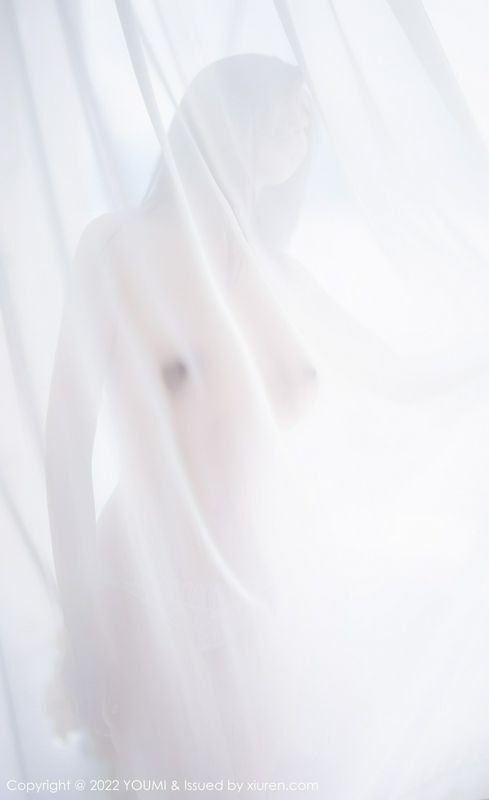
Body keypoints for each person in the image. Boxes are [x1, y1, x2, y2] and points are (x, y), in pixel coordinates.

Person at [45, 54, 318, 786]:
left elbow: (316, 420)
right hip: (140, 581)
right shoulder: (115, 245)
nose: (303, 133)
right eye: (290, 113)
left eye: (309, 123)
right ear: (231, 115)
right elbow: (65, 446)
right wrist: (83, 624)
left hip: (249, 592)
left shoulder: (267, 270)